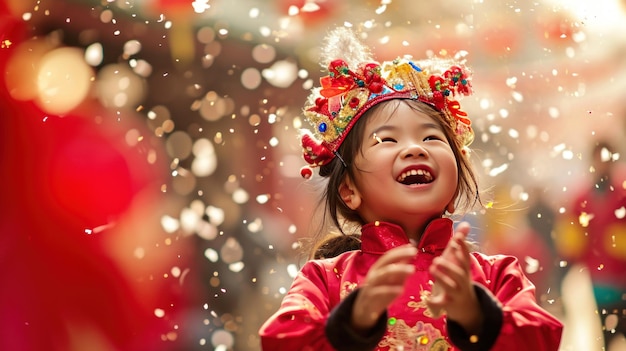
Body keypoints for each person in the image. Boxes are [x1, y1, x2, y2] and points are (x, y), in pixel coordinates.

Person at [259, 27, 563, 351]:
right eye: (387, 140)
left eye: (431, 137)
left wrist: (477, 316)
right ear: (348, 190)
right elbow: (281, 340)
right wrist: (353, 321)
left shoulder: (495, 276)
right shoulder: (326, 280)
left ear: (457, 175)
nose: (415, 149)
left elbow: (542, 338)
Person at [560, 140, 626, 350]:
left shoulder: (622, 194)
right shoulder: (582, 198)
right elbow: (572, 241)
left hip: (622, 277)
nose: (602, 164)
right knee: (606, 336)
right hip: (599, 283)